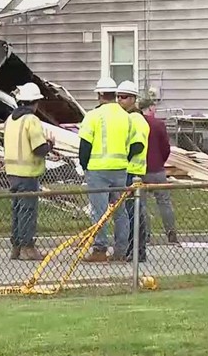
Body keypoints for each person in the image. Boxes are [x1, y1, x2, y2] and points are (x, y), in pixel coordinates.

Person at [77, 77, 133, 263]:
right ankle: (121, 250)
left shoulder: (93, 116)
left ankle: (100, 249)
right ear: (115, 94)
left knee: (99, 211)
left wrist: (84, 166)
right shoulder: (126, 116)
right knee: (120, 212)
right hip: (120, 170)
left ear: (100, 94)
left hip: (98, 169)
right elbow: (133, 145)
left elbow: (85, 145)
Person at [3, 82, 54, 261]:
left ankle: (16, 246)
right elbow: (39, 148)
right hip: (28, 172)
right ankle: (27, 246)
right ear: (34, 102)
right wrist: (50, 145)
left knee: (17, 209)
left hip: (12, 172)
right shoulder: (31, 120)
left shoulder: (11, 119)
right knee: (27, 210)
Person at [117, 81, 150, 262]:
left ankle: (137, 249)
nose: (120, 100)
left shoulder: (135, 119)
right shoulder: (128, 118)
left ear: (133, 99)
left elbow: (137, 145)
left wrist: (124, 159)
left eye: (124, 97)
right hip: (129, 170)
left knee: (133, 212)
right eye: (118, 97)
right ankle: (134, 249)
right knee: (130, 211)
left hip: (133, 171)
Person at [141, 101, 179, 245]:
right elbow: (166, 147)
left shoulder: (134, 123)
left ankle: (145, 235)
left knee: (141, 204)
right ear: (150, 108)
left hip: (139, 169)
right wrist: (160, 161)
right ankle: (171, 233)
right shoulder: (158, 124)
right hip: (157, 169)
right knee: (164, 202)